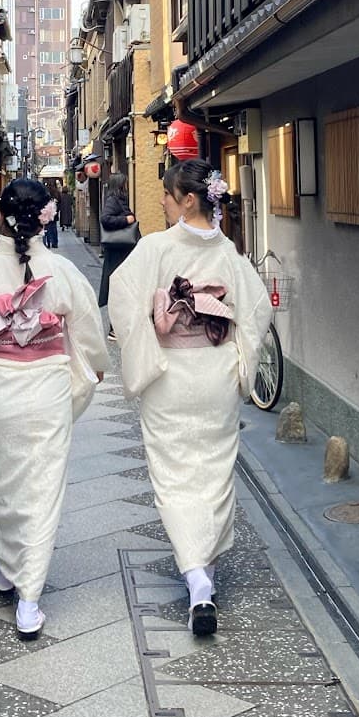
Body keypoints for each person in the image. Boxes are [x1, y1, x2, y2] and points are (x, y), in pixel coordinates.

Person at [0, 177, 108, 639]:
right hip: (47, 390)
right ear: (44, 220)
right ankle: (28, 599)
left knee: (0, 486)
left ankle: (10, 570)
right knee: (42, 491)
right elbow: (90, 334)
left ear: (0, 220)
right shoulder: (63, 271)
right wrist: (92, 367)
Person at [108, 158, 271, 637]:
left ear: (189, 200)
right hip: (215, 373)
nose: (161, 201)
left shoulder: (155, 248)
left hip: (170, 376)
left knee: (173, 474)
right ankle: (205, 574)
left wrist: (146, 354)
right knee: (214, 471)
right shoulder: (229, 253)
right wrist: (240, 362)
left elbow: (122, 297)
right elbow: (257, 310)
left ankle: (197, 579)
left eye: (167, 194)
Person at [98, 172, 137, 337]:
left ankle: (118, 327)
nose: (127, 186)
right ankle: (114, 328)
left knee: (122, 288)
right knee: (118, 288)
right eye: (125, 183)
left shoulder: (119, 200)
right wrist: (126, 220)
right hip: (117, 252)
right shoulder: (113, 200)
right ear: (120, 184)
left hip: (121, 250)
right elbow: (105, 219)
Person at [43, 181, 60, 249]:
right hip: (54, 213)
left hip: (47, 213)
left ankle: (48, 242)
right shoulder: (56, 192)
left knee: (47, 228)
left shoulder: (45, 192)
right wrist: (57, 210)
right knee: (54, 228)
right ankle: (54, 243)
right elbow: (59, 202)